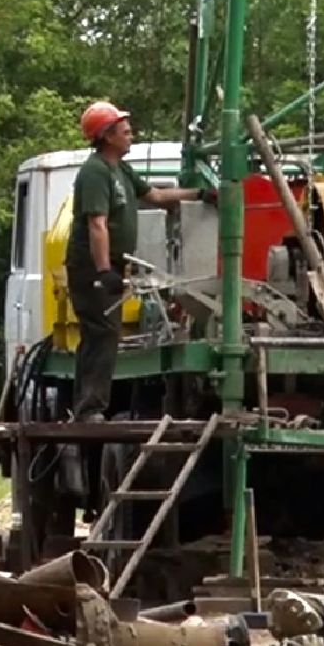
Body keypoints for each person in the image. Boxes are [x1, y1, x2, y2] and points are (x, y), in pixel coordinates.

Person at [66, 101, 208, 422]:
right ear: (106, 135)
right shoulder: (95, 173)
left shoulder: (120, 170)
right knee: (102, 332)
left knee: (101, 334)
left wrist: (198, 195)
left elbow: (155, 196)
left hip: (110, 266)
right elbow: (96, 224)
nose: (131, 135)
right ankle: (89, 409)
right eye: (125, 131)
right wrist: (103, 271)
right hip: (92, 268)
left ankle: (86, 406)